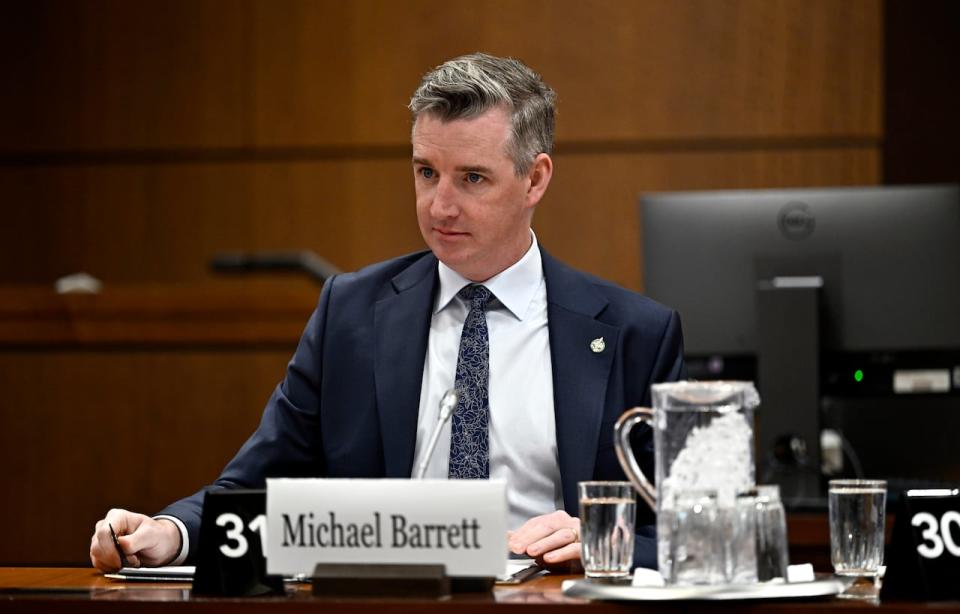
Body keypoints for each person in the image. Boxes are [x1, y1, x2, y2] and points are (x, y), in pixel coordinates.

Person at [90, 52, 685, 574]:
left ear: (535, 178)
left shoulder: (636, 334)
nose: (440, 205)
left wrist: (607, 540)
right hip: (390, 612)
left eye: (472, 178)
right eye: (426, 173)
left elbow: (696, 536)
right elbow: (261, 483)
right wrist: (175, 533)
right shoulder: (351, 312)